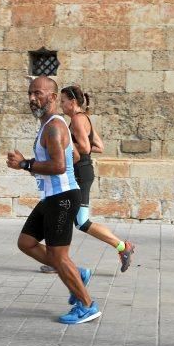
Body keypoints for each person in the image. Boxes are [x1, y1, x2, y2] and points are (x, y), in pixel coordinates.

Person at [6, 76, 101, 325]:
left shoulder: (54, 126)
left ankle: (87, 305)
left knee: (59, 256)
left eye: (38, 93)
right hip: (51, 196)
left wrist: (25, 164)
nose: (32, 98)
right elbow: (76, 153)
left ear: (53, 97)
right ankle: (76, 274)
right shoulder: (48, 124)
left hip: (62, 198)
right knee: (26, 242)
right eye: (30, 93)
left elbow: (59, 166)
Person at [39, 85, 135, 274]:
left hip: (78, 173)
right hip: (82, 172)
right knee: (72, 218)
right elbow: (98, 145)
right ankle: (57, 259)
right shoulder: (84, 118)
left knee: (74, 219)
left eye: (63, 101)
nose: (61, 104)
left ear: (72, 102)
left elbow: (83, 147)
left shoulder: (76, 119)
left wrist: (65, 143)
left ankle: (123, 247)